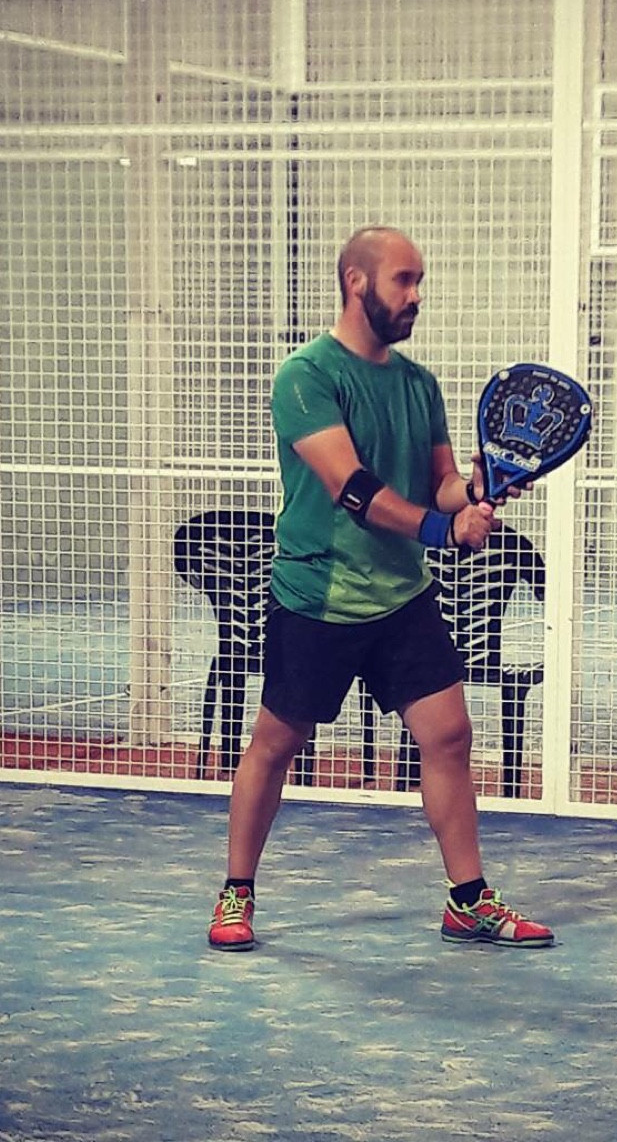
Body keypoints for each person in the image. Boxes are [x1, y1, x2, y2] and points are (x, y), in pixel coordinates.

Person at [207, 225, 555, 952]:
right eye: (404, 279)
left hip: (402, 597)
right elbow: (355, 490)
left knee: (449, 734)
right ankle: (236, 892)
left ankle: (468, 901)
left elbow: (440, 482)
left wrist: (476, 490)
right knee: (275, 743)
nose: (416, 295)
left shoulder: (419, 384)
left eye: (419, 280)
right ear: (356, 282)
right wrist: (444, 530)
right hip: (318, 595)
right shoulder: (305, 376)